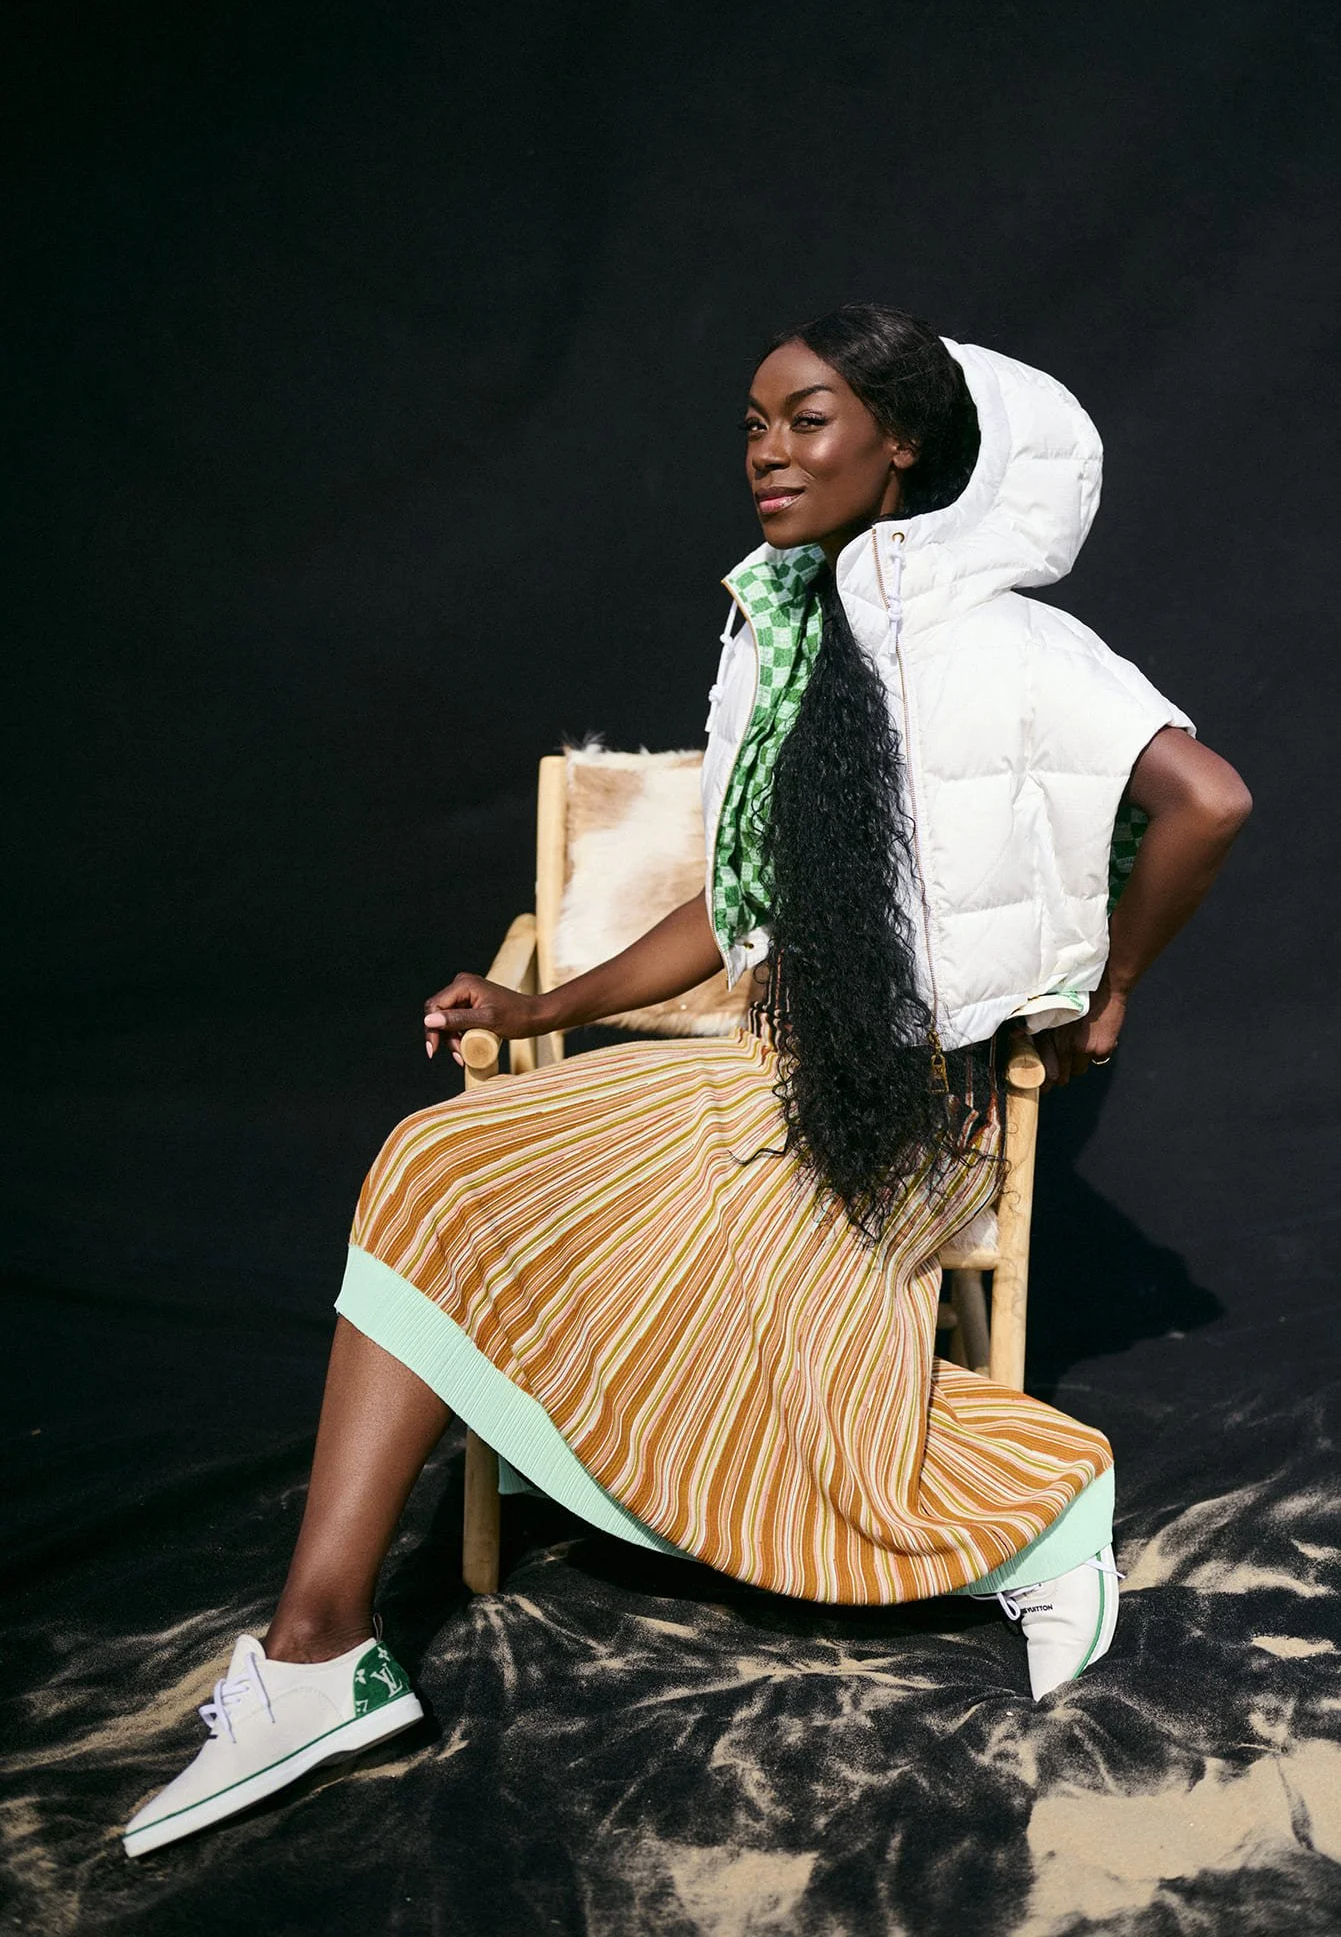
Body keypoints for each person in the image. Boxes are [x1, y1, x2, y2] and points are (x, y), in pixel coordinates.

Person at [123, 306, 1251, 1857]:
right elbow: (735, 912)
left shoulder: (1013, 639)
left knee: (822, 1430)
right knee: (437, 1168)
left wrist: (1108, 985)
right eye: (751, 425)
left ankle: (1043, 1515)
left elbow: (1207, 798)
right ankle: (321, 1657)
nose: (766, 456)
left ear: (900, 446)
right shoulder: (786, 640)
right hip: (768, 1072)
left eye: (806, 421)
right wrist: (546, 998)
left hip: (898, 1109)